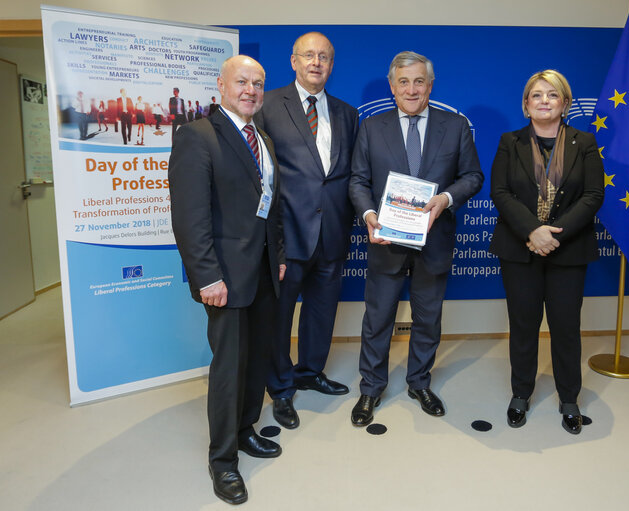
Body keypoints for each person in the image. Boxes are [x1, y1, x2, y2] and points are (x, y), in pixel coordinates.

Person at [169, 55, 286, 506]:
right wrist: (207, 276)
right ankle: (223, 461)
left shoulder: (264, 140)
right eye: (242, 82)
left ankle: (245, 430)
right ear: (221, 84)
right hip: (223, 277)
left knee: (256, 359)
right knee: (228, 368)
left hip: (261, 271)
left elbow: (270, 206)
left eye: (258, 83)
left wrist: (276, 256)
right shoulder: (197, 136)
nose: (251, 90)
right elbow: (189, 217)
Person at [348, 51, 483, 426]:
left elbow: (473, 176)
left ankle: (419, 382)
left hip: (434, 240)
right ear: (392, 87)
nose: (411, 89)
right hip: (385, 242)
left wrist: (446, 198)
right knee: (377, 320)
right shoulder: (372, 127)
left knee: (428, 318)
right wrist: (369, 214)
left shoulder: (455, 126)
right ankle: (371, 388)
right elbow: (358, 180)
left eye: (419, 81)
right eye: (403, 82)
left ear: (430, 85)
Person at [489, 70, 604, 435]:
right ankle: (521, 393)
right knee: (523, 326)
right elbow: (500, 192)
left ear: (565, 103)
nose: (543, 101)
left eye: (552, 95)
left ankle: (569, 398)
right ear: (525, 105)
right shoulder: (510, 141)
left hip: (567, 251)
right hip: (520, 249)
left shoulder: (584, 142)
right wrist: (532, 232)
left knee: (566, 328)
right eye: (536, 95)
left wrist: (554, 236)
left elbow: (593, 195)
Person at [257, 32, 359, 429]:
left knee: (321, 312)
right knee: (280, 318)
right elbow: (258, 175)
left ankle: (310, 371)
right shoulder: (267, 105)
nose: (316, 62)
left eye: (324, 57)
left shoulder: (348, 114)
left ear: (332, 65)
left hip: (333, 233)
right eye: (309, 55)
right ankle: (281, 388)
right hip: (286, 236)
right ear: (293, 61)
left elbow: (351, 176)